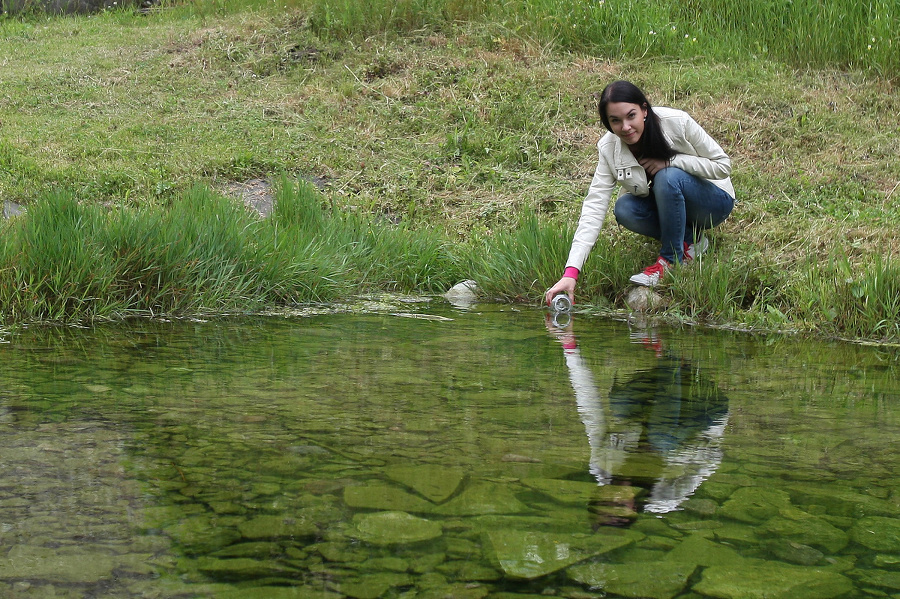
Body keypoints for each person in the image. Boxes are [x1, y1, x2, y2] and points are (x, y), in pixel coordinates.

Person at [545, 80, 735, 304]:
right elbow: (594, 206)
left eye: (631, 115)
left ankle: (670, 260)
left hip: (713, 203)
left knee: (668, 176)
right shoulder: (608, 148)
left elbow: (723, 165)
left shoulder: (677, 122)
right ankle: (691, 240)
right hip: (669, 206)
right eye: (615, 121)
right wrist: (571, 272)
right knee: (625, 208)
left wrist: (672, 161)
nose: (625, 127)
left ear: (644, 110)